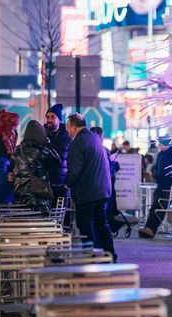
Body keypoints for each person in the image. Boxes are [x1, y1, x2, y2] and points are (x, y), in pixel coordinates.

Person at [66, 113, 115, 258]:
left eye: (68, 127)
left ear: (74, 127)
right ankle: (110, 255)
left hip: (87, 192)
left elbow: (74, 170)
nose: (67, 131)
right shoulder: (94, 138)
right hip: (102, 190)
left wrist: (67, 183)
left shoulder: (78, 141)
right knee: (101, 224)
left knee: (85, 225)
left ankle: (90, 257)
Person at [138, 141, 172, 238]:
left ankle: (151, 229)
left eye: (161, 144)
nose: (159, 146)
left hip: (171, 186)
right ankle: (148, 228)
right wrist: (156, 176)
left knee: (162, 207)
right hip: (160, 185)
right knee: (155, 206)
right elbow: (156, 167)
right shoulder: (161, 154)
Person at [9, 120, 62, 215]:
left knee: (21, 228)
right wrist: (48, 143)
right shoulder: (41, 151)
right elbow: (57, 161)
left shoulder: (16, 151)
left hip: (19, 199)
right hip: (38, 200)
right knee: (39, 227)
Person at [44, 103, 71, 200]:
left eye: (52, 117)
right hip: (44, 184)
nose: (49, 120)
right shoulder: (42, 134)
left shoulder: (68, 136)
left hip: (62, 185)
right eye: (47, 117)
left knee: (59, 213)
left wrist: (68, 181)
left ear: (59, 119)